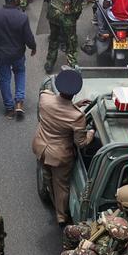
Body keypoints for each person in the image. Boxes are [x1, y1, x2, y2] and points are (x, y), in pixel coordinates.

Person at [33, 71, 94, 226]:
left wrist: (74, 105)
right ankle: (61, 216)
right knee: (61, 185)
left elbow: (57, 106)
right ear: (75, 93)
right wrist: (91, 134)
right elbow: (81, 143)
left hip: (41, 147)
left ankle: (48, 191)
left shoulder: (44, 98)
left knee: (47, 174)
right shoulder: (76, 116)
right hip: (59, 156)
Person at [0, 0, 36, 118]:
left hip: (1, 54)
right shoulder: (22, 17)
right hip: (18, 54)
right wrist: (33, 47)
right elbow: (28, 37)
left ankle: (9, 108)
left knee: (4, 79)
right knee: (20, 73)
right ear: (14, 0)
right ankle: (19, 102)